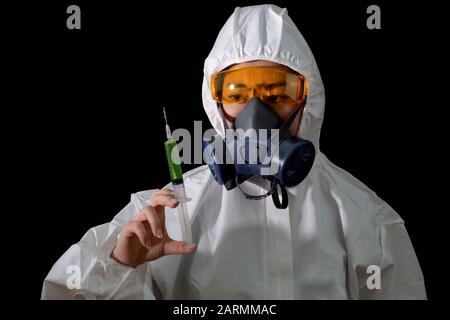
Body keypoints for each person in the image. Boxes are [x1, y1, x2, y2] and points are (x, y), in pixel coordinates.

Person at [42, 4, 426, 299]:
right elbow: (65, 290)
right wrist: (120, 265)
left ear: (308, 100)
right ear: (216, 102)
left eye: (278, 92)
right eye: (237, 94)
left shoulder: (365, 218)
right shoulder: (167, 213)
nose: (254, 114)